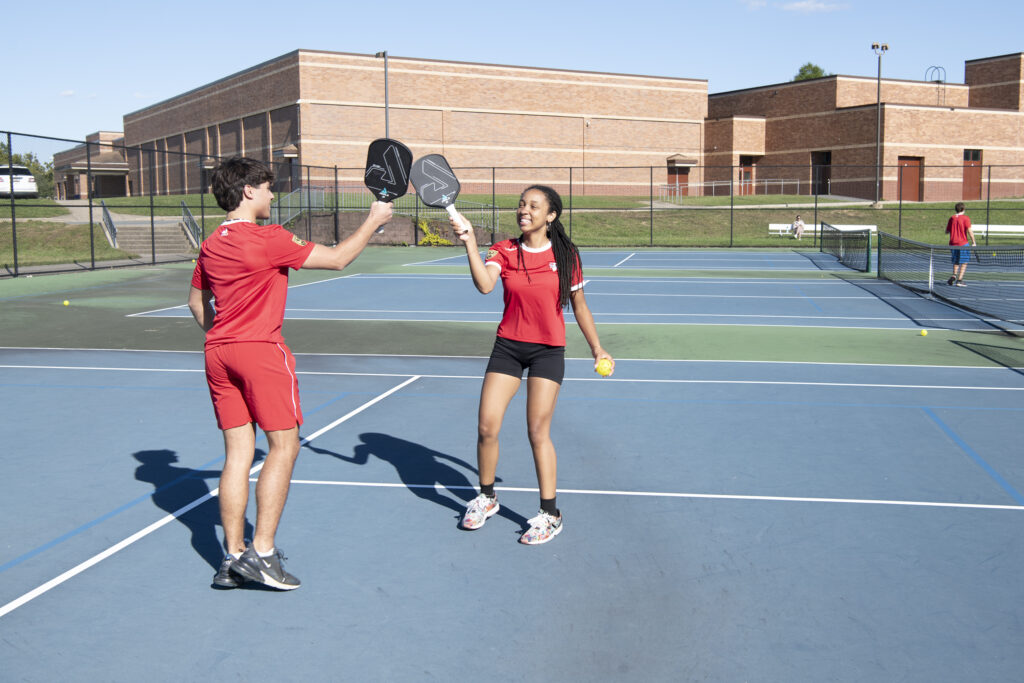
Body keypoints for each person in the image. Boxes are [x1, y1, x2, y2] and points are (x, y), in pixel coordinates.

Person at [188, 157, 392, 589]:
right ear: (248, 191)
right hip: (260, 353)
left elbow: (195, 303)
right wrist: (374, 220)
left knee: (237, 456)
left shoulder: (210, 244)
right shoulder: (269, 238)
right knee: (284, 447)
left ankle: (232, 557)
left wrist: (226, 335)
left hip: (217, 353)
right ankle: (262, 553)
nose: (272, 194)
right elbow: (337, 259)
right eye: (267, 188)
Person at [449, 185, 613, 545]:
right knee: (486, 426)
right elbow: (485, 285)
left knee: (537, 431)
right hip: (508, 347)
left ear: (550, 215)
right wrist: (470, 243)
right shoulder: (504, 250)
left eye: (534, 206)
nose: (524, 210)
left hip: (547, 351)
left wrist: (597, 349)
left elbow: (580, 305)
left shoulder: (566, 255)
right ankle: (487, 497)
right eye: (522, 204)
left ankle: (550, 514)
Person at [945, 202, 976, 287]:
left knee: (956, 261)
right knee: (964, 262)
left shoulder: (952, 218)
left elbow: (947, 231)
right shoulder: (966, 218)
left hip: (953, 243)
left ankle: (954, 275)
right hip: (963, 243)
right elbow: (969, 231)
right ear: (963, 209)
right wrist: (973, 242)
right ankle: (959, 280)